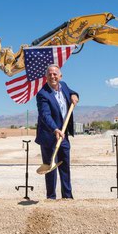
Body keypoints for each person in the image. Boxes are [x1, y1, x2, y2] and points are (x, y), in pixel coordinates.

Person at [36, 64, 79, 199]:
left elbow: (72, 92)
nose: (52, 76)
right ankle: (51, 197)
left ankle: (67, 196)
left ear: (60, 76)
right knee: (50, 168)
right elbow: (45, 115)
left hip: (64, 135)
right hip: (49, 136)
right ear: (46, 77)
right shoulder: (42, 94)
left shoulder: (64, 86)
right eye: (49, 74)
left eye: (55, 74)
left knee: (65, 167)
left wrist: (74, 95)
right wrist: (55, 129)